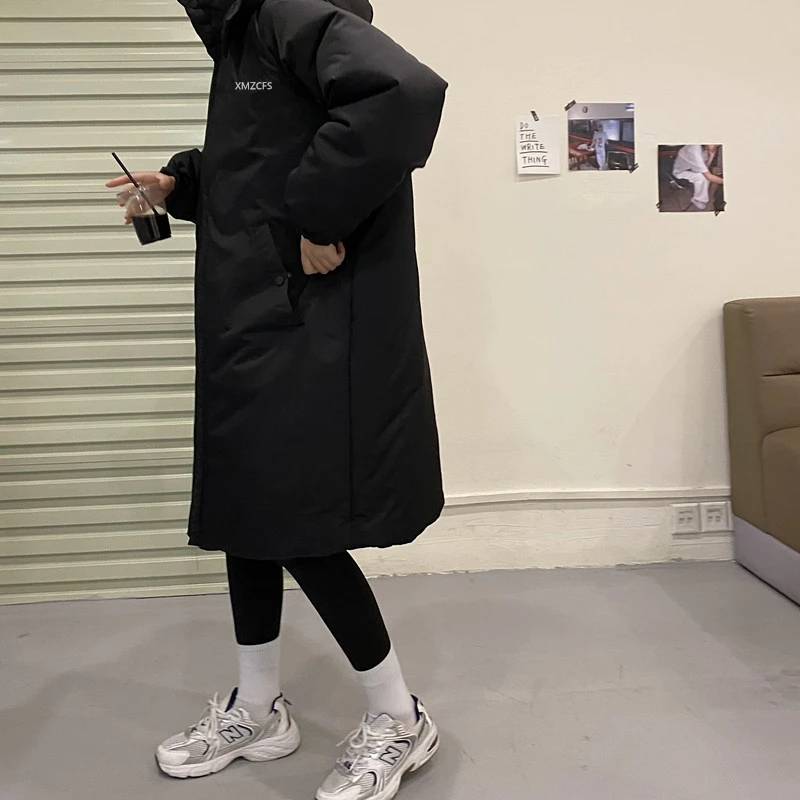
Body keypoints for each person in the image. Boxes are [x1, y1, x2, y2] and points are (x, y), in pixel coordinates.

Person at [105, 1, 447, 799]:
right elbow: (267, 158)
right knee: (247, 510)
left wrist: (319, 215)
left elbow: (402, 92)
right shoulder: (240, 34)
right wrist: (183, 183)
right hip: (252, 316)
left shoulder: (284, 12)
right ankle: (258, 708)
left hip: (305, 322)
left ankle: (399, 716)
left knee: (298, 518)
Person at [672, 144, 723, 210]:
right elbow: (708, 176)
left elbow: (705, 168)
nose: (715, 146)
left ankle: (699, 196)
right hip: (680, 172)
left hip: (692, 170)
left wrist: (711, 156)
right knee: (703, 177)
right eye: (714, 144)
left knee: (704, 175)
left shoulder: (704, 149)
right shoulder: (694, 149)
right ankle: (697, 200)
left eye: (717, 145)